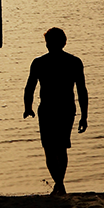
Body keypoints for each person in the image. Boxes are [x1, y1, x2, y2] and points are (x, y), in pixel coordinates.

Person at [23, 27, 88, 195]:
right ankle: (60, 185)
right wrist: (28, 107)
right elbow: (30, 87)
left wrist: (84, 116)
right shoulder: (71, 62)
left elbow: (82, 90)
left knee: (53, 149)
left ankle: (59, 185)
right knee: (58, 148)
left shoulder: (43, 62)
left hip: (57, 109)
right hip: (58, 109)